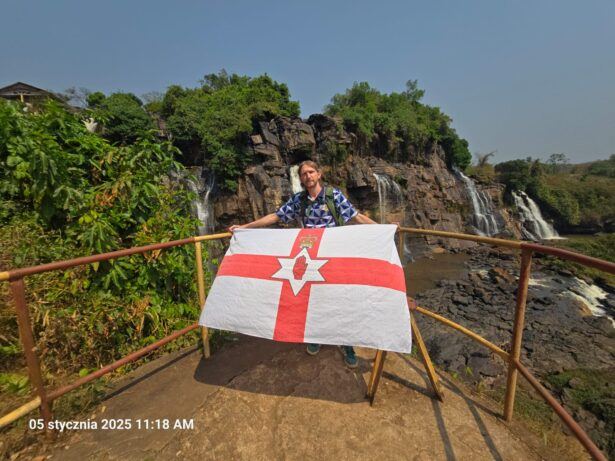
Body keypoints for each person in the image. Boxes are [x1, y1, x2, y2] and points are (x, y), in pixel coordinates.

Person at [228, 160, 377, 368]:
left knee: (341, 299)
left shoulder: (334, 196)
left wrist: (383, 229)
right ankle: (316, 336)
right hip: (311, 257)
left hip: (335, 255)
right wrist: (244, 227)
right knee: (315, 299)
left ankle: (347, 343)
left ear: (319, 174)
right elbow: (276, 216)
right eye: (303, 174)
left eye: (311, 172)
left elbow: (356, 217)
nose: (307, 176)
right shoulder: (299, 200)